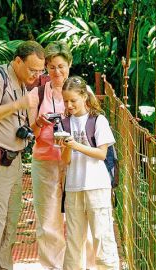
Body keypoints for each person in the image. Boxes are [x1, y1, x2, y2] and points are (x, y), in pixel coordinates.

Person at [0, 40, 45, 270]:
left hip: (13, 163)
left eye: (40, 71)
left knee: (8, 226)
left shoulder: (22, 82)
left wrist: (35, 120)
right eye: (32, 69)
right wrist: (18, 104)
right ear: (17, 61)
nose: (36, 75)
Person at [29, 41, 95, 269]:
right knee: (48, 220)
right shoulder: (37, 92)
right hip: (45, 161)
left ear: (69, 65)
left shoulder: (82, 92)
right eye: (52, 67)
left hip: (76, 162)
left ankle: (85, 265)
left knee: (80, 218)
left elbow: (95, 128)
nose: (57, 72)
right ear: (45, 67)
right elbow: (31, 132)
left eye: (61, 66)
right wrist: (39, 122)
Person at [60, 76, 120, 270]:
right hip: (74, 186)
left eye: (73, 101)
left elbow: (102, 154)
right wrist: (67, 146)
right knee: (74, 241)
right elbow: (65, 160)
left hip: (97, 185)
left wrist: (75, 144)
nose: (69, 105)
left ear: (84, 97)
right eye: (66, 101)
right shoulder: (64, 123)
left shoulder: (98, 120)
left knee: (102, 238)